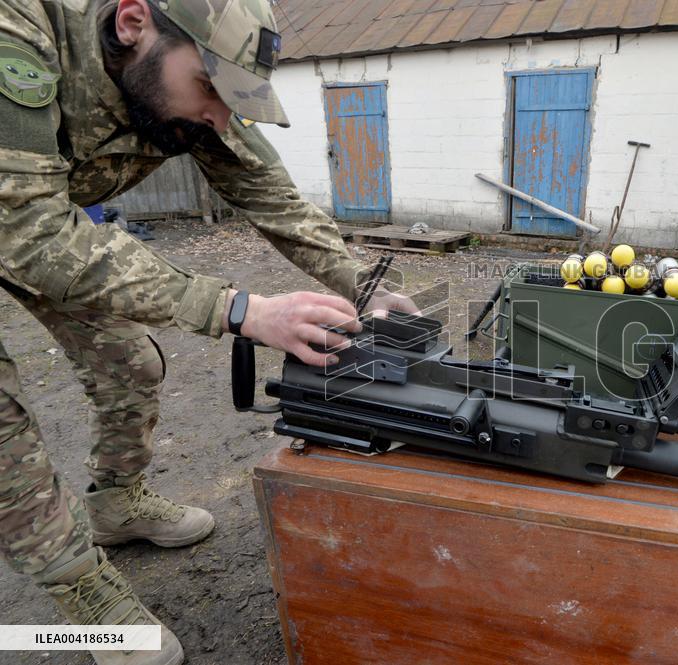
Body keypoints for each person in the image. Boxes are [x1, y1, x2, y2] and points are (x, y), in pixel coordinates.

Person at [0, 0, 418, 662]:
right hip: (24, 223)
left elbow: (269, 193)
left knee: (130, 362)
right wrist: (238, 306)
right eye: (212, 90)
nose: (221, 116)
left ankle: (116, 502)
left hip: (39, 224)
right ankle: (80, 590)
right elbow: (26, 232)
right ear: (133, 22)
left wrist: (366, 286)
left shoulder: (185, 75)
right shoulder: (20, 31)